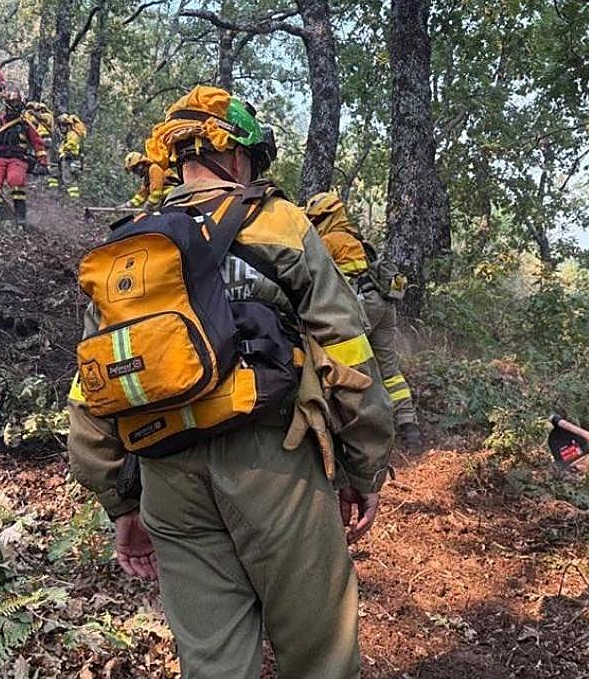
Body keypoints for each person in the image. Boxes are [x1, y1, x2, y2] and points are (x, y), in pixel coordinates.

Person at [68, 85, 394, 679]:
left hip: (166, 471)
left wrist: (120, 500)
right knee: (320, 651)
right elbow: (349, 355)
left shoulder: (128, 246)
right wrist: (364, 466)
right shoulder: (280, 222)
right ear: (241, 155)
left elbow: (91, 391)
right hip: (273, 462)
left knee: (213, 661)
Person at [305, 191, 421, 453]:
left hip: (361, 306)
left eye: (317, 218)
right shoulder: (358, 240)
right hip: (383, 305)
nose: (314, 224)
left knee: (340, 365)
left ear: (327, 216)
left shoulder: (330, 240)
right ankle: (409, 428)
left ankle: (352, 435)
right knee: (389, 371)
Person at [0, 89, 48, 223]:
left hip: (17, 159)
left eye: (17, 102)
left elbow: (38, 144)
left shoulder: (25, 125)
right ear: (7, 104)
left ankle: (21, 216)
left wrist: (42, 162)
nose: (15, 105)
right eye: (13, 102)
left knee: (16, 179)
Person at [55, 112, 88, 199]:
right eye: (60, 125)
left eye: (64, 125)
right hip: (67, 158)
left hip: (69, 158)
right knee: (65, 178)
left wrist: (64, 149)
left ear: (69, 125)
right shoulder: (67, 136)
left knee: (69, 180)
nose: (62, 127)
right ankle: (70, 197)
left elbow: (71, 144)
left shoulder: (72, 134)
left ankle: (74, 198)